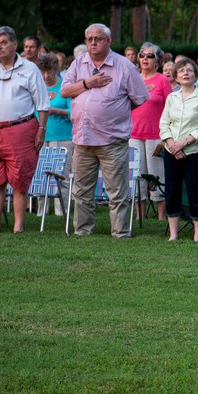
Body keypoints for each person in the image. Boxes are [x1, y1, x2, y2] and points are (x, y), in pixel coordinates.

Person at [61, 23, 150, 238]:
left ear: (108, 41)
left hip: (112, 139)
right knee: (81, 190)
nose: (93, 42)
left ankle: (120, 232)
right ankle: (82, 231)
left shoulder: (124, 66)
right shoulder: (78, 64)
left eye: (98, 38)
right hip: (83, 138)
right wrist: (87, 83)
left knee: (116, 190)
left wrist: (116, 113)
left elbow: (140, 97)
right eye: (89, 38)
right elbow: (64, 91)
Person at [0, 26, 49, 233]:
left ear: (15, 44)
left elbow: (42, 104)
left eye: (4, 42)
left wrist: (41, 130)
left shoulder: (29, 68)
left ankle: (18, 226)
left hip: (20, 129)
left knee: (20, 179)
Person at [158, 58, 198, 242]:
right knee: (172, 191)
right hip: (171, 150)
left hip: (194, 152)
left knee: (194, 191)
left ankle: (197, 233)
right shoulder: (171, 98)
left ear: (196, 75)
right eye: (181, 71)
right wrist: (172, 144)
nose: (185, 73)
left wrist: (183, 144)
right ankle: (173, 234)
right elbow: (164, 123)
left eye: (189, 70)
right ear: (176, 77)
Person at [131, 42, 172, 221]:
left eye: (150, 56)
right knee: (137, 175)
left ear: (158, 61)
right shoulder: (133, 78)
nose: (145, 59)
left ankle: (161, 216)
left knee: (157, 174)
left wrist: (167, 136)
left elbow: (170, 108)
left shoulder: (162, 80)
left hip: (156, 135)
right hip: (133, 135)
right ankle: (140, 215)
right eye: (142, 55)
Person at [37, 53, 72, 216]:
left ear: (55, 70)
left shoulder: (65, 87)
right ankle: (41, 211)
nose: (46, 75)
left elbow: (74, 111)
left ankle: (61, 211)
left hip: (63, 137)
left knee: (61, 175)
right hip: (42, 137)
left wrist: (58, 111)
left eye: (49, 71)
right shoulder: (37, 87)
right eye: (43, 72)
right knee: (41, 175)